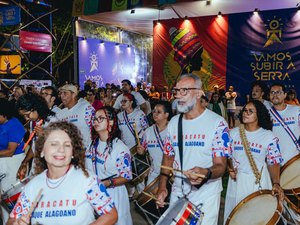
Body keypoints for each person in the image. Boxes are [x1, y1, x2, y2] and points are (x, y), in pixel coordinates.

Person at [7, 121, 118, 225]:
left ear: (73, 153)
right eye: (54, 144)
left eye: (67, 145)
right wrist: (16, 223)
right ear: (42, 151)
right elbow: (12, 219)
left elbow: (110, 214)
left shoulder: (86, 180)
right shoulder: (33, 185)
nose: (61, 149)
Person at [157, 74, 231, 225]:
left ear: (198, 93)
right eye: (177, 91)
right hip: (178, 192)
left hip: (206, 195)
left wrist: (206, 173)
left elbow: (221, 166)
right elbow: (168, 157)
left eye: (184, 90)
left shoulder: (217, 123)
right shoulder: (173, 123)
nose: (178, 95)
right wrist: (163, 186)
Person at [224, 100, 284, 222]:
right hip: (236, 182)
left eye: (250, 111)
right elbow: (226, 155)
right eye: (245, 110)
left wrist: (276, 183)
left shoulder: (268, 136)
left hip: (257, 182)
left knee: (258, 219)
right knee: (236, 219)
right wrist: (229, 167)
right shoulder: (233, 133)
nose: (246, 113)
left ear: (259, 115)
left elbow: (273, 162)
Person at [86, 106, 133, 225]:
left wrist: (107, 183)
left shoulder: (120, 148)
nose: (96, 121)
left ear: (111, 122)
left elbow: (126, 176)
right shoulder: (92, 145)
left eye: (101, 118)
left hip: (114, 193)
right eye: (95, 118)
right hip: (95, 193)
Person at [16, 93, 55, 179]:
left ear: (36, 108)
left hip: (49, 168)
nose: (26, 118)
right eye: (23, 116)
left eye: (27, 115)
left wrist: (45, 137)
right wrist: (25, 162)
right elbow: (34, 145)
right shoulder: (33, 122)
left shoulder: (52, 121)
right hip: (37, 166)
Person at [0, 99, 25, 225]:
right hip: (2, 164)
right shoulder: (2, 124)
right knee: (2, 202)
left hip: (13, 163)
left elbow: (10, 151)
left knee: (10, 199)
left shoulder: (15, 125)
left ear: (4, 114)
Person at [137, 101, 173, 184]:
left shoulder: (173, 129)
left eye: (159, 112)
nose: (155, 114)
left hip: (172, 173)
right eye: (154, 111)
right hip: (155, 173)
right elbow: (143, 151)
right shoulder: (148, 131)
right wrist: (141, 152)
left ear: (166, 115)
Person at [269, 83, 300, 164]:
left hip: (294, 159)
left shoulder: (296, 110)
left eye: (278, 92)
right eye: (272, 92)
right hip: (273, 161)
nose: (274, 95)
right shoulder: (265, 114)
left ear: (285, 95)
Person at [56, 84, 95, 150]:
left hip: (86, 151)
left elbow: (95, 129)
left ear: (73, 95)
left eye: (65, 93)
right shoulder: (60, 114)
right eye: (61, 93)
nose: (62, 96)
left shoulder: (86, 108)